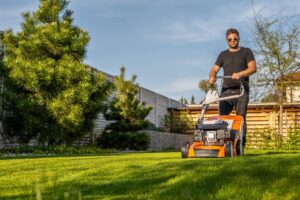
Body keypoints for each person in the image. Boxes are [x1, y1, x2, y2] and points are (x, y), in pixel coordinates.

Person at [208, 28, 256, 148]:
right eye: (230, 39)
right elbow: (214, 69)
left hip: (241, 90)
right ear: (227, 40)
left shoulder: (246, 51)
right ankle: (222, 143)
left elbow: (252, 68)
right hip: (226, 91)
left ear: (238, 38)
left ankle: (240, 146)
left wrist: (240, 74)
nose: (233, 41)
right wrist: (212, 77)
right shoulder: (223, 55)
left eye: (235, 39)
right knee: (222, 118)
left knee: (240, 118)